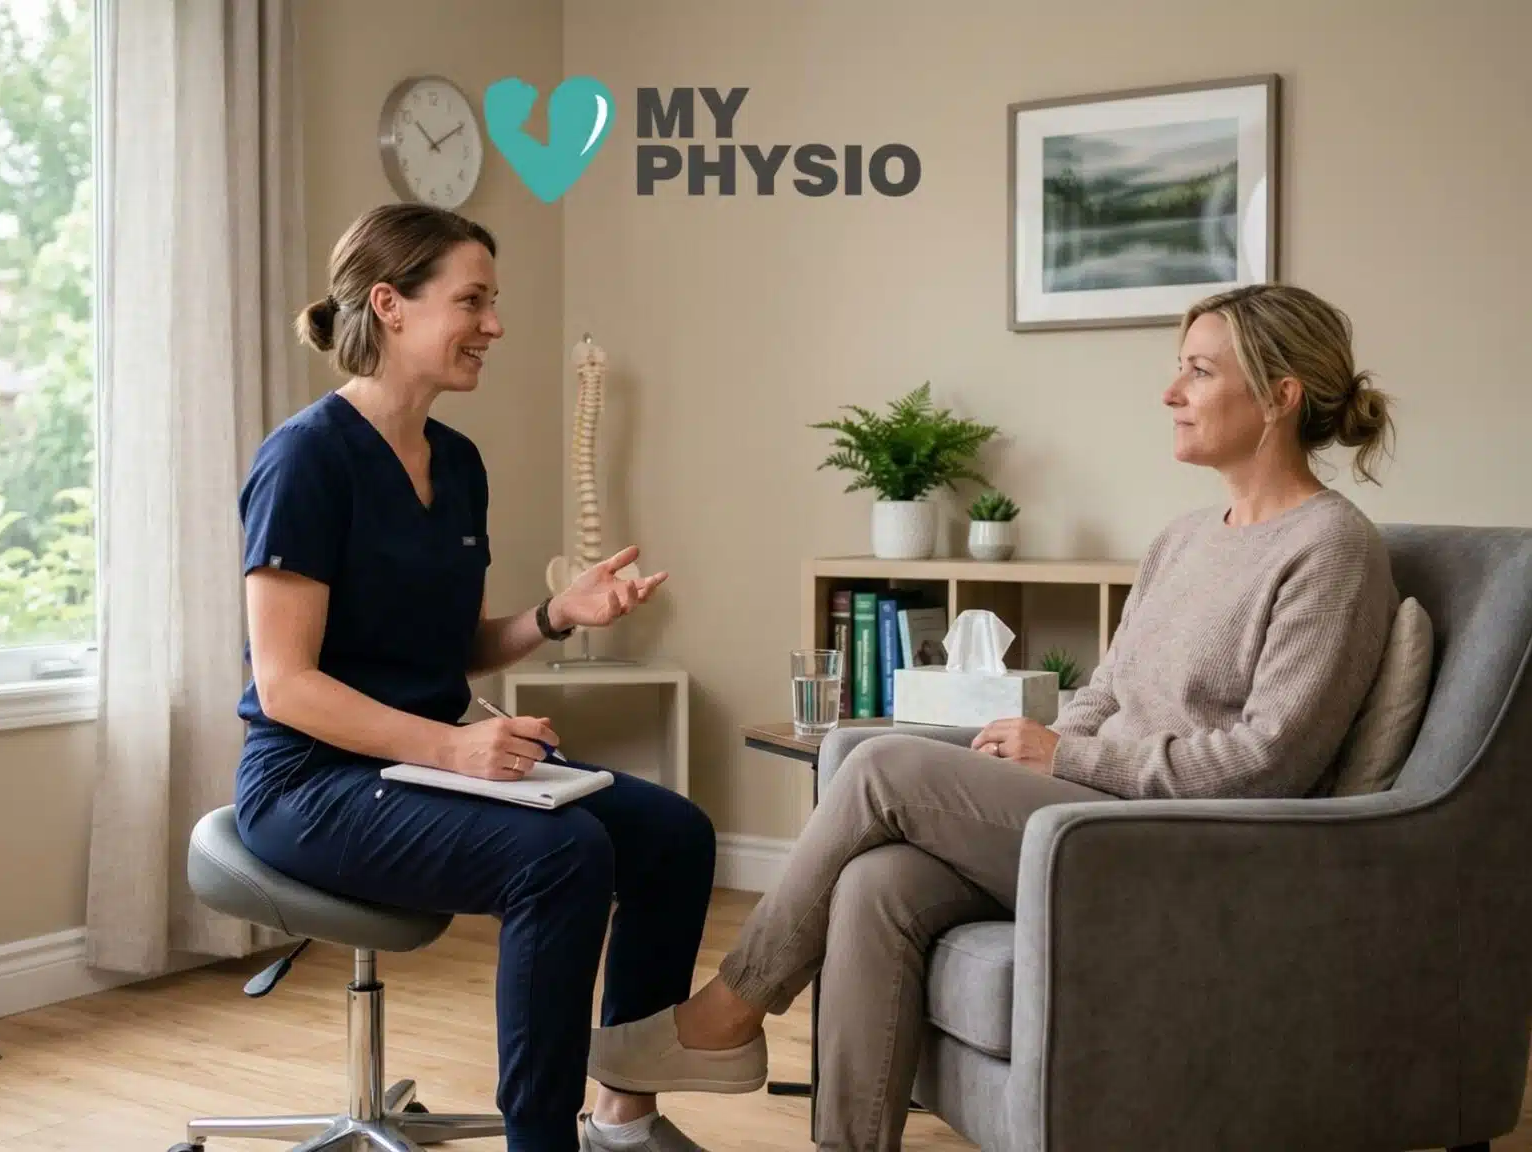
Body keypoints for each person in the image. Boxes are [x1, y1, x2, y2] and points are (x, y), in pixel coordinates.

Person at [583, 283, 1403, 1150]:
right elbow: (1106, 691)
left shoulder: (1331, 549)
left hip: (1183, 848)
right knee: (878, 884)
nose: (1170, 393)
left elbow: (1269, 761)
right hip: (1094, 818)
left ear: (1281, 396)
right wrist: (1053, 752)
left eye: (1198, 372)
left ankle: (728, 1012)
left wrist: (1068, 758)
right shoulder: (1185, 537)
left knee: (880, 763)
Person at [233, 202, 718, 1152]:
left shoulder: (456, 463)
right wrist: (454, 748)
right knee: (560, 855)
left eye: (492, 304)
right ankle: (543, 1141)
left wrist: (556, 615)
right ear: (391, 305)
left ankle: (622, 1113)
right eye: (472, 301)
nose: (494, 325)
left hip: (420, 763)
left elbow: (451, 648)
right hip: (309, 780)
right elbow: (287, 686)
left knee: (675, 835)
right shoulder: (305, 459)